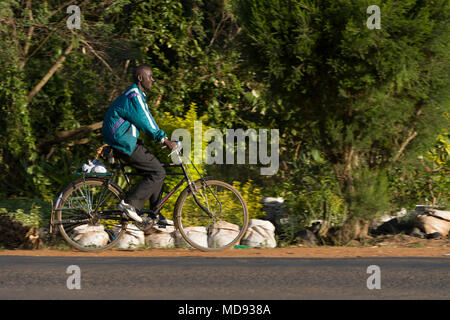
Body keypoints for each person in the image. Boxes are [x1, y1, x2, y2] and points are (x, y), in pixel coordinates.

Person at [101, 65, 177, 224]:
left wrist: (161, 138)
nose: (153, 79)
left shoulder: (136, 95)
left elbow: (147, 118)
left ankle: (154, 214)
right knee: (158, 172)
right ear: (140, 78)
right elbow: (146, 121)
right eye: (150, 76)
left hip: (125, 140)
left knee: (158, 170)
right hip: (123, 142)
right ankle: (130, 205)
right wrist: (164, 139)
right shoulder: (134, 96)